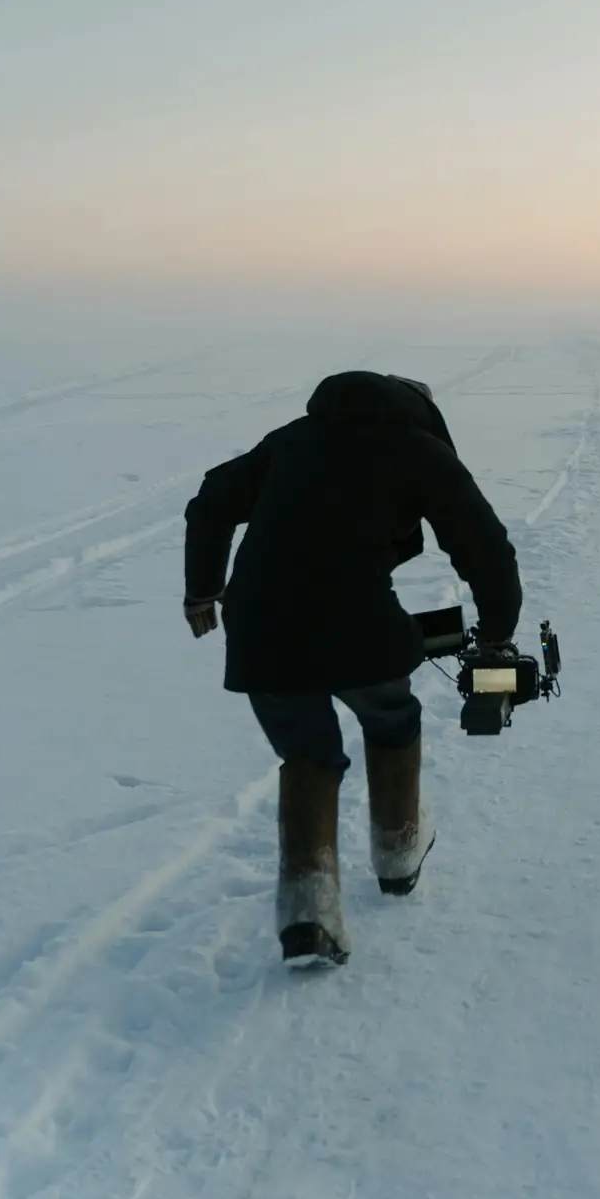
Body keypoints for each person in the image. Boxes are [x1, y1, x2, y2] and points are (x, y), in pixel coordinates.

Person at [182, 370, 520, 967]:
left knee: (307, 752)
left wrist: (202, 591)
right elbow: (484, 543)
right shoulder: (418, 449)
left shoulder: (291, 439)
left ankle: (310, 912)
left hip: (260, 622)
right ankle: (398, 851)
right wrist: (496, 631)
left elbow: (211, 500)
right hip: (356, 619)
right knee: (391, 716)